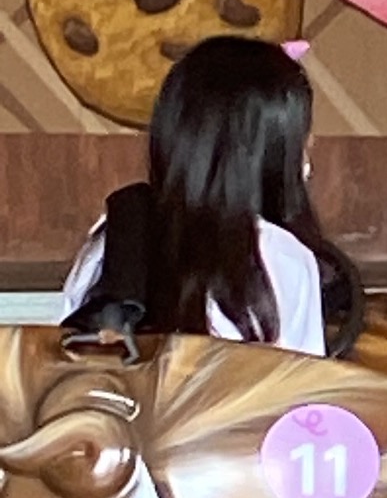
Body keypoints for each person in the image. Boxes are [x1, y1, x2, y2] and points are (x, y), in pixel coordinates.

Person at [61, 35, 360, 358]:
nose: (311, 142)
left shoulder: (111, 239)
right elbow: (305, 387)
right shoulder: (281, 257)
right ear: (271, 149)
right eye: (300, 133)